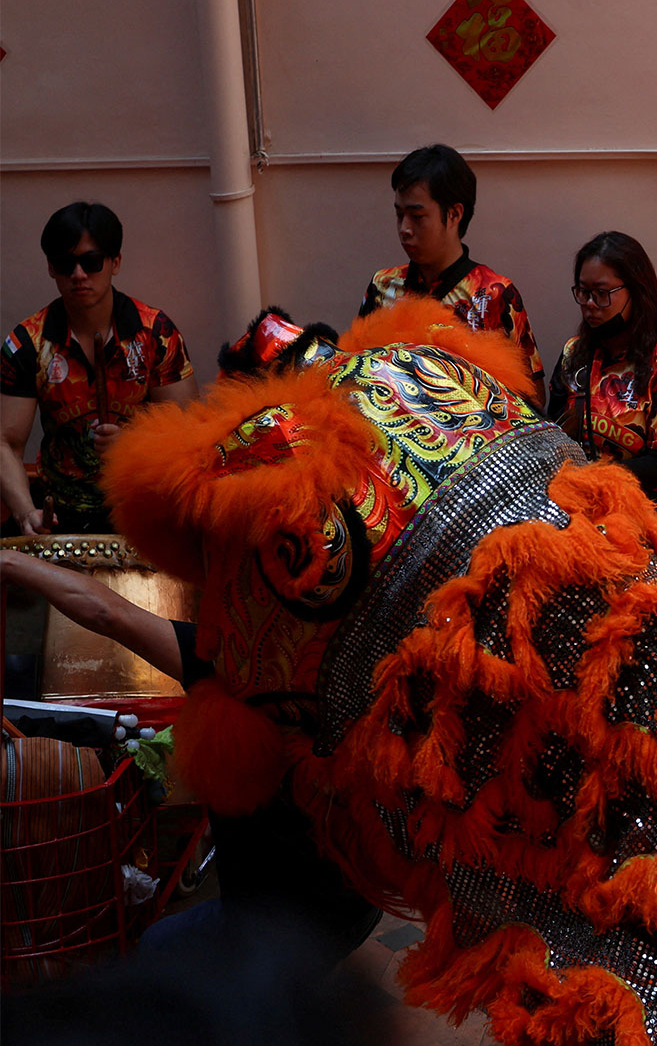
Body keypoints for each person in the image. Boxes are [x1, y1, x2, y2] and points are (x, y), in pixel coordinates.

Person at [0, 549, 382, 963]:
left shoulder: (235, 665)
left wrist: (12, 563)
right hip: (362, 903)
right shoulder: (369, 670)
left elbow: (107, 612)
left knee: (156, 951)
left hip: (276, 927)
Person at [1, 203, 196, 535]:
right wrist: (24, 513)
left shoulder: (156, 333)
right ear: (51, 268)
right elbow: (5, 442)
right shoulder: (26, 343)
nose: (79, 275)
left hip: (141, 506)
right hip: (59, 511)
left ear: (115, 263)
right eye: (66, 264)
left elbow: (189, 435)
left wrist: (135, 444)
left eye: (91, 262)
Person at [358, 143, 546, 409]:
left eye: (417, 216)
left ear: (455, 214)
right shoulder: (383, 285)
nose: (404, 229)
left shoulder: (494, 294)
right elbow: (358, 375)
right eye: (399, 214)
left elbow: (532, 401)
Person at [546, 232, 657, 535]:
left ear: (636, 291)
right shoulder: (573, 354)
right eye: (583, 292)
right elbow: (553, 428)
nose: (589, 304)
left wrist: (594, 478)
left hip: (647, 520)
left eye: (601, 293)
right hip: (581, 516)